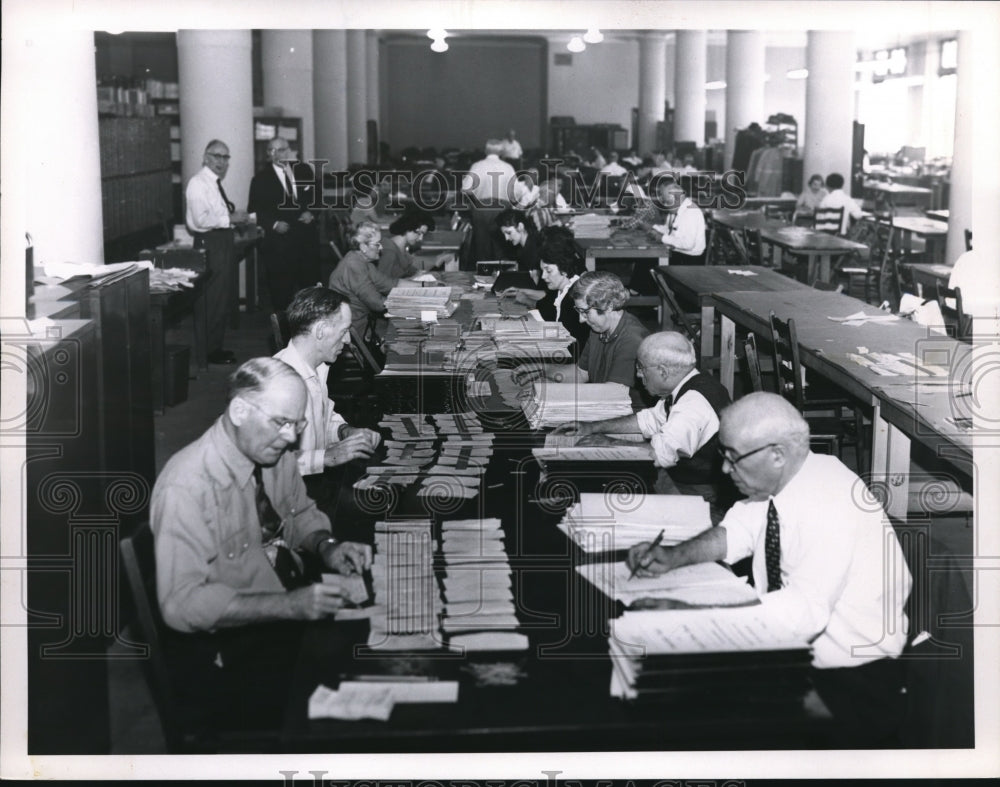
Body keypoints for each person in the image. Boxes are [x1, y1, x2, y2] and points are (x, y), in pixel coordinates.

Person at [626, 392, 912, 746]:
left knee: (680, 718)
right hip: (794, 657)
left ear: (777, 454)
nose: (726, 469)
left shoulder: (829, 503)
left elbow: (801, 613)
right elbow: (738, 531)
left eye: (733, 458)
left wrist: (688, 615)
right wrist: (673, 557)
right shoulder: (791, 477)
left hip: (849, 685)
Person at [150, 357, 373, 721]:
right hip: (231, 652)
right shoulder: (186, 487)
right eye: (282, 423)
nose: (290, 437)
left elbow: (299, 512)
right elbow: (180, 603)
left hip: (282, 606)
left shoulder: (269, 449)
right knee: (365, 689)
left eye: (298, 425)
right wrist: (288, 606)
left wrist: (326, 546)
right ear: (239, 410)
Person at [552, 332, 734, 520]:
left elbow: (658, 455)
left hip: (701, 498)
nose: (638, 375)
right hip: (682, 482)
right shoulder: (690, 384)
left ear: (663, 371)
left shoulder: (693, 404)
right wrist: (592, 427)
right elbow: (648, 420)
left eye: (641, 368)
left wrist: (609, 442)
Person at [274, 287, 382, 523]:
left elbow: (324, 415)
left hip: (314, 483)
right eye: (344, 331)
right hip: (288, 503)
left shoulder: (319, 366)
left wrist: (345, 431)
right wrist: (328, 457)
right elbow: (270, 464)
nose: (347, 340)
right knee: (380, 511)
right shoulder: (281, 385)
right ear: (321, 331)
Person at [515, 270, 648, 406]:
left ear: (608, 306)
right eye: (579, 311)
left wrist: (547, 391)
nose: (581, 320)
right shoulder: (598, 329)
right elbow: (580, 374)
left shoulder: (632, 339)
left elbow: (611, 393)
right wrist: (541, 369)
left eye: (585, 312)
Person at [185, 139, 248, 364]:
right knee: (210, 299)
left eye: (225, 157)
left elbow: (215, 215)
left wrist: (231, 219)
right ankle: (208, 352)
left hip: (221, 241)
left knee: (220, 298)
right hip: (211, 243)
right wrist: (229, 218)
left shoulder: (213, 183)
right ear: (205, 157)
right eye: (217, 156)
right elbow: (200, 221)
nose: (222, 161)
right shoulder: (198, 183)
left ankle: (214, 347)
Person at [247, 137, 320, 312]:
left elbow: (318, 198)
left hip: (306, 243)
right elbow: (253, 212)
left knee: (310, 295)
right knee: (281, 296)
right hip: (279, 247)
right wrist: (273, 224)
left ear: (289, 151)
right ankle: (283, 334)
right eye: (273, 150)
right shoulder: (260, 179)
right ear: (268, 154)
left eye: (281, 150)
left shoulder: (304, 171)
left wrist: (312, 212)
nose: (278, 154)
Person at [500, 226, 589, 348]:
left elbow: (572, 350)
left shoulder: (574, 298)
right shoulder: (563, 288)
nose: (543, 276)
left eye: (548, 270)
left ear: (563, 268)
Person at [327, 221, 400, 336]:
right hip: (355, 330)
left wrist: (424, 285)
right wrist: (414, 303)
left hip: (365, 322)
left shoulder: (362, 260)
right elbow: (378, 304)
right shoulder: (354, 265)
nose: (381, 247)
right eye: (377, 244)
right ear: (363, 247)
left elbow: (390, 283)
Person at [378, 211, 453, 279]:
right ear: (407, 227)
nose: (420, 238)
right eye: (418, 233)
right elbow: (382, 283)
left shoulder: (401, 248)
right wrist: (413, 278)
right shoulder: (389, 251)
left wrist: (423, 273)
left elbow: (410, 270)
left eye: (423, 234)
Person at [650, 178, 706, 264]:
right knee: (646, 262)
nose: (665, 205)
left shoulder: (691, 213)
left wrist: (662, 238)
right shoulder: (676, 209)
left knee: (648, 263)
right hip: (678, 253)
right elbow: (670, 231)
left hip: (689, 260)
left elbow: (688, 244)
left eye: (667, 202)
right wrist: (654, 228)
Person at [495, 208, 541, 272]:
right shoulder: (522, 248)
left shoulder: (535, 249)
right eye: (504, 234)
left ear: (520, 227)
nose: (506, 238)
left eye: (509, 233)